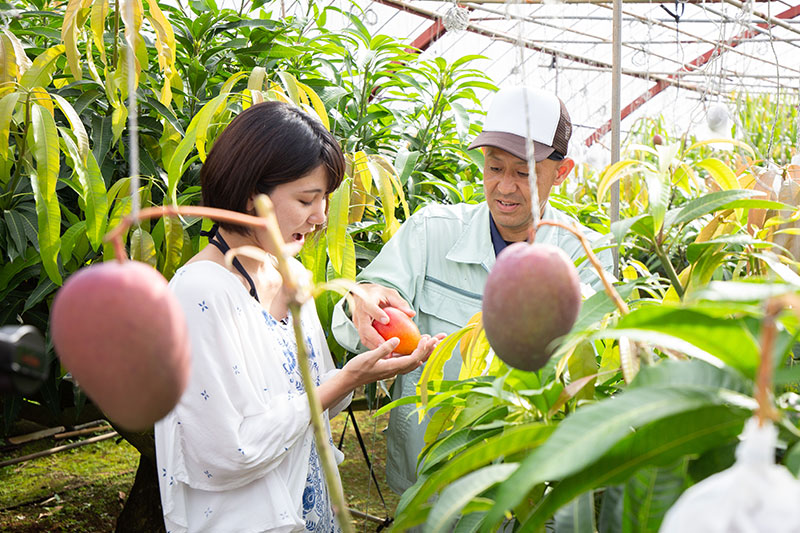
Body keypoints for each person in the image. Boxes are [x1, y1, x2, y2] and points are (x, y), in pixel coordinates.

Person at [154, 101, 441, 532]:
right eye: (307, 199)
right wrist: (344, 381)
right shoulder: (199, 294)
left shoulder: (291, 276)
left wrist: (363, 371)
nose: (321, 217)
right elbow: (225, 454)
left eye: (324, 199)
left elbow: (322, 399)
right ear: (252, 195)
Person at [330, 86, 615, 496]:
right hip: (427, 480)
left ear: (563, 171)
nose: (504, 188)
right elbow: (361, 313)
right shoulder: (432, 232)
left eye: (523, 172)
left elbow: (601, 365)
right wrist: (364, 299)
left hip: (527, 487)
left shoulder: (585, 257)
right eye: (494, 168)